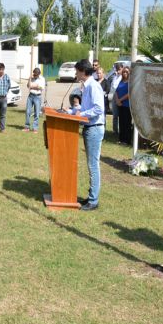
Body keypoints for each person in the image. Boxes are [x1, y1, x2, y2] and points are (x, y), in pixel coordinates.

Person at [68, 59, 105, 211]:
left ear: (83, 71)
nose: (75, 74)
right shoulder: (87, 86)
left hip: (94, 128)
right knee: (91, 165)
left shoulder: (94, 86)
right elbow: (85, 107)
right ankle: (91, 196)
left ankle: (93, 201)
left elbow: (98, 109)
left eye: (77, 71)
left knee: (93, 165)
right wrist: (70, 112)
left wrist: (81, 114)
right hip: (89, 128)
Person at [24, 68, 45, 133]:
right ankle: (27, 127)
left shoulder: (42, 79)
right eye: (34, 74)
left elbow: (41, 88)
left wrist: (34, 86)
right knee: (28, 112)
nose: (34, 75)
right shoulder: (31, 78)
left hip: (37, 97)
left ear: (39, 74)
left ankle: (35, 128)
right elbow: (28, 86)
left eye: (36, 75)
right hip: (30, 96)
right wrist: (29, 80)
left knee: (36, 113)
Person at [115, 66, 132, 145]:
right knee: (121, 122)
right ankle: (121, 139)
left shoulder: (130, 82)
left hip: (127, 105)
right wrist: (117, 100)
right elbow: (116, 91)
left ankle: (126, 140)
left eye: (126, 72)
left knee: (127, 123)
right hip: (120, 105)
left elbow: (129, 94)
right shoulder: (121, 81)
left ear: (129, 73)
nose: (125, 73)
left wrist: (120, 100)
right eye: (124, 71)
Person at [107, 62, 123, 134]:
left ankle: (122, 130)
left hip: (121, 97)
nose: (118, 71)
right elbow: (112, 86)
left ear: (122, 68)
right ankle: (115, 130)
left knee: (122, 115)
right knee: (115, 115)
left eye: (119, 69)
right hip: (114, 96)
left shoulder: (123, 77)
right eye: (117, 69)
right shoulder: (115, 76)